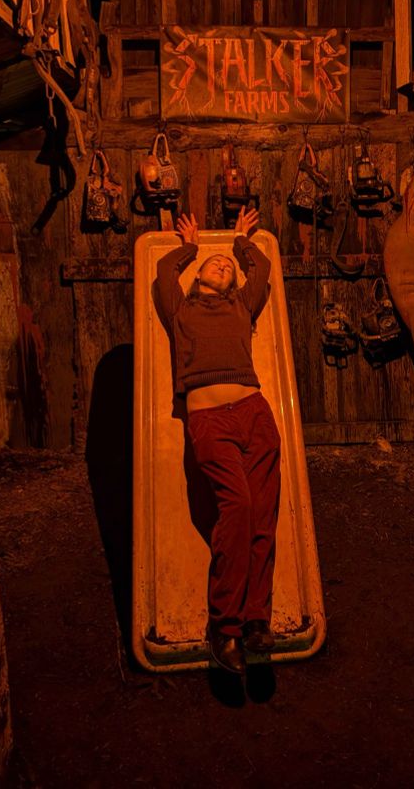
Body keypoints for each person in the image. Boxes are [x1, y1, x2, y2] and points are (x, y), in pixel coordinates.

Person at [156, 205, 281, 676]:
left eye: (227, 266)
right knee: (239, 507)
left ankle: (257, 620)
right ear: (197, 276)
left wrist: (241, 242)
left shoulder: (242, 306)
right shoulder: (180, 309)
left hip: (255, 413)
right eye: (215, 263)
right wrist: (189, 247)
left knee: (263, 517)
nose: (223, 265)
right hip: (209, 418)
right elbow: (163, 270)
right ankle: (225, 626)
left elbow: (261, 269)